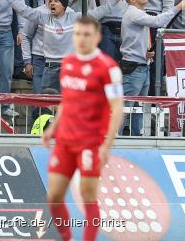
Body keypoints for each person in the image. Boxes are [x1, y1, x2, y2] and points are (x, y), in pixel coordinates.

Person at [42, 15, 124, 241]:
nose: (81, 39)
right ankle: (66, 237)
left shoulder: (108, 68)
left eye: (87, 34)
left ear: (97, 37)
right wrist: (53, 128)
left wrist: (107, 145)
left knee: (89, 197)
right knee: (54, 196)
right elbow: (66, 101)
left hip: (90, 142)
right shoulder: (68, 62)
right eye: (77, 34)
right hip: (65, 141)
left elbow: (117, 108)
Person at [119, 0, 185, 135]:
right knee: (126, 107)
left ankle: (136, 138)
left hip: (141, 64)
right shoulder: (133, 13)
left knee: (139, 106)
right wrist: (177, 8)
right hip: (134, 67)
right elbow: (158, 21)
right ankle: (115, 139)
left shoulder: (137, 14)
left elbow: (136, 38)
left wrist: (145, 52)